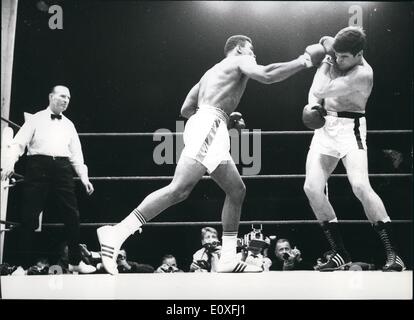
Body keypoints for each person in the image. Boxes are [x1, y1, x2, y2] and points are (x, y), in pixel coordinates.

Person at [97, 34, 328, 275]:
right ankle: (116, 233)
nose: (254, 55)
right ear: (239, 48)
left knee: (236, 190)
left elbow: (186, 109)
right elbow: (267, 74)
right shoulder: (239, 61)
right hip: (210, 125)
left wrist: (224, 116)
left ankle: (227, 258)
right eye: (251, 49)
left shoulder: (209, 74)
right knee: (179, 189)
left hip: (210, 125)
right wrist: (304, 61)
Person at [303, 27, 406, 271]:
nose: (338, 59)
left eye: (344, 57)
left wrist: (326, 58)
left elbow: (320, 89)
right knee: (311, 188)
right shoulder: (339, 55)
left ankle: (394, 254)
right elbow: (314, 94)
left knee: (360, 185)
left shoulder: (363, 74)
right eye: (336, 55)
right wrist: (312, 107)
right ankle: (339, 253)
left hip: (351, 128)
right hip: (325, 128)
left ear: (359, 54)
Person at [1, 85, 96, 274]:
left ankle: (75, 261)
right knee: (29, 215)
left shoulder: (69, 125)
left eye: (68, 97)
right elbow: (18, 143)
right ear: (51, 97)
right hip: (38, 166)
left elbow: (77, 155)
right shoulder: (36, 119)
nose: (66, 100)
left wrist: (84, 177)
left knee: (72, 215)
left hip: (62, 168)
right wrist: (10, 164)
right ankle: (23, 265)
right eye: (62, 96)